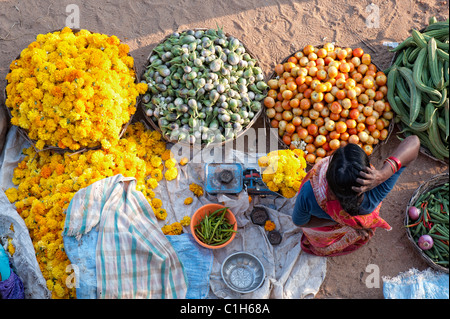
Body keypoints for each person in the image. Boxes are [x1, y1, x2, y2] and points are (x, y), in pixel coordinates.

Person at [292, 135, 420, 257]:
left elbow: (299, 221)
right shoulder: (374, 194)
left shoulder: (309, 192)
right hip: (358, 226)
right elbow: (414, 141)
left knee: (320, 237)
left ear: (328, 174)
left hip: (324, 234)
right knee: (361, 232)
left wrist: (336, 221)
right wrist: (383, 174)